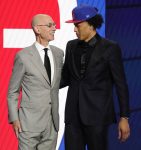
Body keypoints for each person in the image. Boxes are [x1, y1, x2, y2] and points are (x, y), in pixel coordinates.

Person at [60, 5, 130, 150]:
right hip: (73, 118)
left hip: (97, 116)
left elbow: (121, 84)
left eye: (77, 25)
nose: (74, 29)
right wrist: (40, 83)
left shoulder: (110, 48)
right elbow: (65, 77)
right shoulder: (71, 46)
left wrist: (124, 117)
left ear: (91, 24)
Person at [7, 14, 64, 150]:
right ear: (37, 29)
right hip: (28, 124)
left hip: (52, 124)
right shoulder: (23, 56)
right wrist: (14, 119)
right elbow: (13, 91)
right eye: (50, 25)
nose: (54, 28)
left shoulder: (59, 53)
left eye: (54, 25)